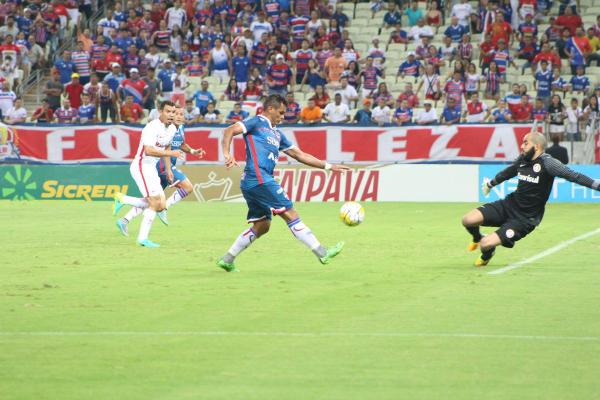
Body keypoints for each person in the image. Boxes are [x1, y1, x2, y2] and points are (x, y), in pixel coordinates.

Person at [216, 93, 347, 272]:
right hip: (259, 178)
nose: (283, 117)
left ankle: (227, 259)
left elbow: (300, 155)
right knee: (290, 212)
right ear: (271, 108)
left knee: (263, 226)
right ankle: (322, 252)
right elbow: (228, 131)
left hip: (253, 182)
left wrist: (329, 166)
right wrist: (226, 153)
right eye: (281, 112)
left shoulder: (277, 134)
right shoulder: (256, 122)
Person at [462, 131, 600, 266]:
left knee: (486, 244)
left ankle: (487, 254)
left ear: (536, 146)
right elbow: (508, 172)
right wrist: (490, 184)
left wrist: (598, 186)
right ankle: (477, 238)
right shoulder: (523, 159)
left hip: (524, 218)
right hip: (508, 205)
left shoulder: (549, 163)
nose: (522, 146)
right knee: (467, 220)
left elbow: (574, 176)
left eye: (525, 143)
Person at [116, 105, 204, 237]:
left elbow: (182, 145)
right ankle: (165, 207)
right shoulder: (161, 128)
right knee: (188, 187)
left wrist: (192, 151)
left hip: (164, 164)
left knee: (153, 200)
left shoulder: (179, 129)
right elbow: (156, 149)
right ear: (163, 113)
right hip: (160, 165)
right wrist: (168, 168)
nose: (178, 116)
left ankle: (125, 219)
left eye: (180, 114)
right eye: (175, 113)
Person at [112, 101, 180, 247]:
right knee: (155, 203)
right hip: (141, 166)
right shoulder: (152, 127)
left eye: (173, 112)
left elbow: (167, 144)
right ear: (160, 112)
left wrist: (168, 169)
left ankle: (124, 199)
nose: (171, 115)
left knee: (161, 205)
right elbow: (148, 150)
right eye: (168, 111)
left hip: (151, 167)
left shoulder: (172, 128)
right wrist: (170, 153)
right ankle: (142, 238)